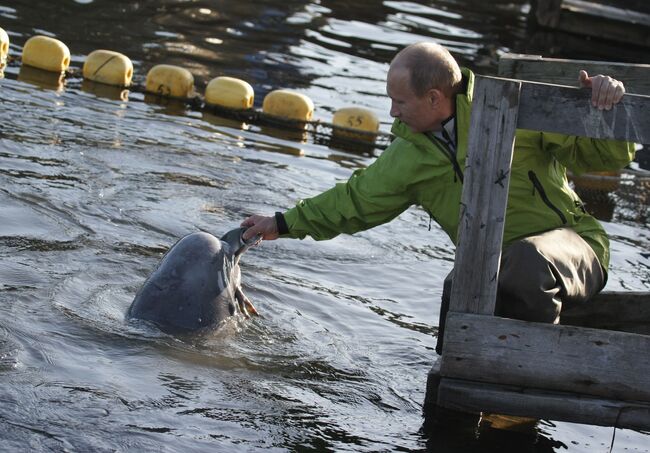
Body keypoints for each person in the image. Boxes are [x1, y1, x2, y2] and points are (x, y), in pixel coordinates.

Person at [241, 42, 634, 354]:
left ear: (433, 98)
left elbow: (605, 157)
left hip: (575, 248)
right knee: (456, 285)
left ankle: (532, 368)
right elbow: (354, 201)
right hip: (494, 267)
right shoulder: (409, 153)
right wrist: (281, 223)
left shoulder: (516, 109)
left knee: (526, 262)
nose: (392, 112)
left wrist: (606, 105)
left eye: (399, 102)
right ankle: (451, 387)